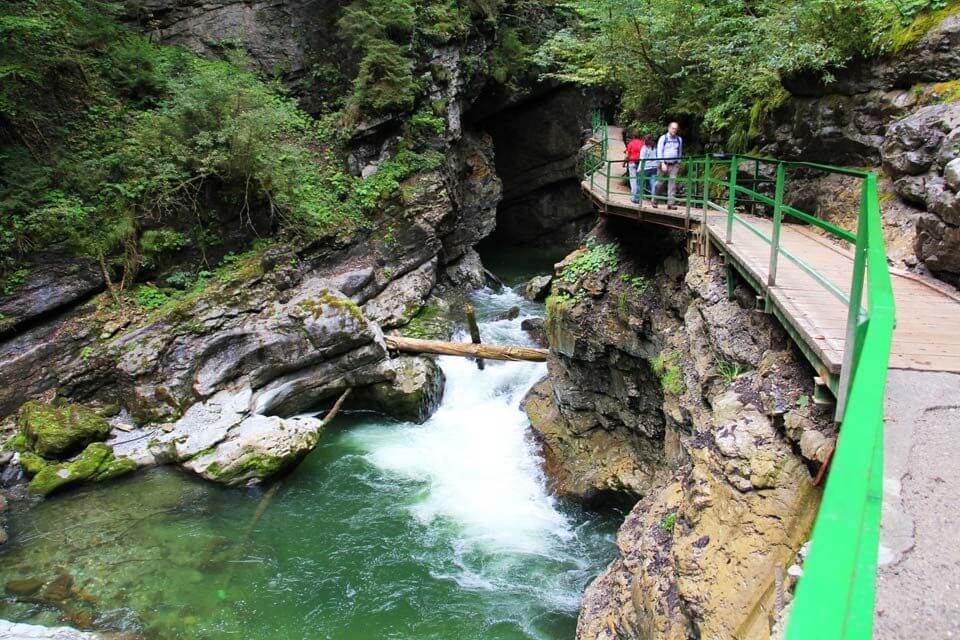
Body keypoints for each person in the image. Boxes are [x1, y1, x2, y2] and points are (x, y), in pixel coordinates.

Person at [653, 122, 683, 209]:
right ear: (669, 128)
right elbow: (659, 151)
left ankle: (671, 203)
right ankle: (655, 200)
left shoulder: (679, 139)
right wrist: (662, 163)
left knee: (672, 183)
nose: (674, 130)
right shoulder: (663, 138)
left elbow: (679, 151)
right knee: (660, 183)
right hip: (663, 163)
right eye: (673, 128)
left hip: (674, 164)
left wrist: (679, 162)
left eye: (676, 129)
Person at [624, 132, 645, 204]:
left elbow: (627, 155)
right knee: (639, 180)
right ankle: (639, 197)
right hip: (640, 163)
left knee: (633, 180)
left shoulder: (631, 143)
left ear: (633, 136)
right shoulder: (643, 143)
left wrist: (624, 163)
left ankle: (634, 197)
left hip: (632, 162)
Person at [640, 134, 657, 201]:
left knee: (640, 183)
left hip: (646, 167)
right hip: (654, 167)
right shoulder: (655, 147)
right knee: (653, 184)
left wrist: (639, 168)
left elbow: (642, 159)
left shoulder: (644, 148)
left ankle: (638, 198)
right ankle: (653, 198)